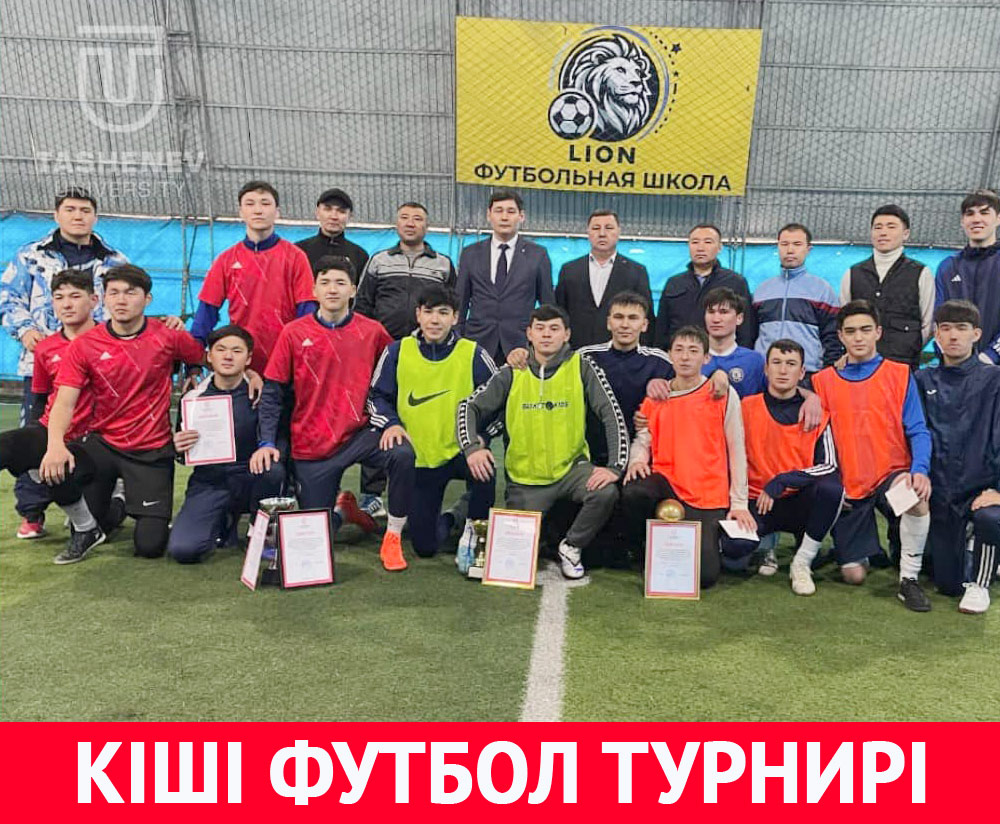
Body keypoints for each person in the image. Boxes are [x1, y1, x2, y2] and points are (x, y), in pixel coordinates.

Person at [251, 255, 415, 572]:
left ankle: (392, 536)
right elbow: (272, 393)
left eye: (341, 283)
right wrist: (267, 441)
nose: (332, 289)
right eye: (325, 282)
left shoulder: (373, 332)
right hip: (312, 442)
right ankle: (343, 512)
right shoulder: (293, 333)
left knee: (402, 454)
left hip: (362, 433)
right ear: (314, 290)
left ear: (353, 290)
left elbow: (398, 377)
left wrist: (391, 422)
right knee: (316, 536)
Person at [39, 265, 207, 561]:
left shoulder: (168, 337)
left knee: (150, 546)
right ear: (103, 298)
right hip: (103, 444)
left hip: (152, 448)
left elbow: (208, 357)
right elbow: (64, 401)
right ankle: (109, 509)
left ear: (147, 299)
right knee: (62, 481)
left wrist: (202, 370)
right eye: (113, 293)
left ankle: (126, 502)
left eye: (130, 293)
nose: (121, 300)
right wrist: (54, 445)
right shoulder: (85, 345)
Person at [456, 304, 627, 579]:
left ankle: (572, 546)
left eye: (554, 328)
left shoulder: (581, 366)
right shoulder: (512, 371)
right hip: (525, 481)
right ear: (529, 334)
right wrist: (471, 448)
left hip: (572, 470)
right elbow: (468, 407)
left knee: (605, 492)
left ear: (567, 334)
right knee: (513, 563)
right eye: (540, 328)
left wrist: (615, 466)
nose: (547, 334)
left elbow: (610, 412)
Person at [0, 186, 128, 539]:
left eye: (85, 210)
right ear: (56, 215)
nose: (77, 216)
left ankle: (106, 492)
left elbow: (127, 302)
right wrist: (25, 330)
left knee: (98, 435)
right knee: (36, 435)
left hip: (101, 368)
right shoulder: (30, 255)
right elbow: (7, 296)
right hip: (44, 362)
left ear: (95, 216)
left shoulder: (115, 260)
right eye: (70, 209)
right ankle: (33, 512)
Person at [811, 300, 933, 611]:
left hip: (890, 476)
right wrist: (831, 486)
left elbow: (918, 430)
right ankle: (864, 550)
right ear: (840, 336)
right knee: (853, 575)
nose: (858, 337)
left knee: (915, 498)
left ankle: (909, 580)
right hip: (849, 486)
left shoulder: (900, 374)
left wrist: (919, 469)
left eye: (865, 330)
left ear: (878, 332)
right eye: (850, 331)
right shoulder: (822, 382)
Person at [367, 285, 498, 557]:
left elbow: (501, 403)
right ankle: (452, 518)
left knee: (486, 469)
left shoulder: (473, 354)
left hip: (462, 452)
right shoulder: (397, 352)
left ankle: (475, 532)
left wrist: (481, 439)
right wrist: (391, 423)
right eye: (428, 312)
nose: (435, 320)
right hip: (421, 459)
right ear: (418, 315)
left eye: (443, 312)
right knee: (425, 547)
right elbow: (376, 397)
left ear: (456, 317)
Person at [621, 325, 754, 590]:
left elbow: (737, 449)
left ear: (706, 358)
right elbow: (643, 440)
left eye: (693, 351)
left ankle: (710, 540)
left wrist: (739, 503)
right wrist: (637, 460)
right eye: (679, 350)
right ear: (669, 355)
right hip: (667, 483)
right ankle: (643, 546)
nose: (685, 357)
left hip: (707, 495)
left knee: (704, 577)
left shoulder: (722, 394)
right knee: (634, 491)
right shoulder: (657, 396)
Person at [719, 339, 843, 594]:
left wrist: (783, 480)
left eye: (791, 364)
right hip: (758, 502)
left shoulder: (817, 414)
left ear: (802, 372)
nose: (783, 370)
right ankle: (765, 546)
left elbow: (829, 465)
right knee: (733, 552)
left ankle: (802, 561)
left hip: (798, 501)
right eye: (776, 362)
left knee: (832, 490)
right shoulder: (745, 407)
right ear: (766, 369)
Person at [168, 325, 285, 564]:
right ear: (209, 356)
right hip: (210, 481)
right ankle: (224, 519)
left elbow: (277, 440)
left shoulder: (261, 393)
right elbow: (184, 455)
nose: (228, 356)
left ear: (248, 358)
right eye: (220, 350)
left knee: (272, 469)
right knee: (184, 550)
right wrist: (178, 447)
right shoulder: (192, 400)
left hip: (252, 476)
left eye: (236, 351)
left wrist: (265, 449)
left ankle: (260, 531)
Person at [916, 300, 1000, 613]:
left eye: (962, 329)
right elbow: (915, 434)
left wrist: (998, 490)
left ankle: (980, 584)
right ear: (936, 335)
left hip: (981, 489)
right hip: (939, 490)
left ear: (976, 334)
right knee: (947, 583)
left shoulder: (994, 379)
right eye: (946, 329)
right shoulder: (923, 380)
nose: (953, 336)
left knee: (990, 517)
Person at [191, 180, 316, 374]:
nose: (258, 210)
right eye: (250, 204)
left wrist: (301, 356)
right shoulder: (226, 259)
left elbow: (307, 312)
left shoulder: (296, 257)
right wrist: (193, 360)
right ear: (241, 212)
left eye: (265, 203)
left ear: (277, 212)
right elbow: (206, 312)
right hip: (240, 364)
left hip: (285, 362)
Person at [456, 189, 554, 365]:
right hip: (476, 343)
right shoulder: (470, 254)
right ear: (489, 215)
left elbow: (548, 305)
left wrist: (541, 344)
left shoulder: (537, 254)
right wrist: (457, 339)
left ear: (521, 216)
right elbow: (460, 302)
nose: (504, 217)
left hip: (521, 346)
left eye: (511, 211)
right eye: (498, 211)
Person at [840, 205, 934, 369]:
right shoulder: (853, 273)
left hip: (903, 364)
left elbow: (928, 323)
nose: (883, 232)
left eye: (891, 227)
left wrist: (909, 347)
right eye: (878, 227)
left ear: (905, 233)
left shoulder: (921, 273)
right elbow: (843, 319)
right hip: (860, 366)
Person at [355, 202, 457, 340]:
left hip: (427, 342)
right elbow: (362, 303)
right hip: (384, 341)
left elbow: (454, 303)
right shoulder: (379, 260)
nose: (410, 224)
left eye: (417, 219)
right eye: (404, 218)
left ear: (427, 227)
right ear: (397, 224)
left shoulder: (443, 264)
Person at [554, 210, 653, 349]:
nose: (602, 234)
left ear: (618, 232)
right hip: (576, 351)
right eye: (596, 228)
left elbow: (647, 315)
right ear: (588, 232)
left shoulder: (636, 272)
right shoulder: (569, 270)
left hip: (620, 352)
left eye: (609, 228)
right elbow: (559, 313)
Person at [753, 223, 841, 379]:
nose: (790, 250)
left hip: (808, 373)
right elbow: (751, 333)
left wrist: (827, 373)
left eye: (797, 244)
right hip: (764, 373)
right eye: (784, 244)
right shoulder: (761, 291)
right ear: (777, 247)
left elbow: (832, 337)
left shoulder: (822, 290)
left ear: (808, 249)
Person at [654, 224, 755, 350]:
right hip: (681, 355)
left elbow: (746, 329)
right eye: (695, 242)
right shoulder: (674, 283)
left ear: (719, 247)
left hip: (720, 354)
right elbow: (661, 328)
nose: (700, 248)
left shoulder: (735, 282)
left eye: (708, 242)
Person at [935, 189, 1000, 363]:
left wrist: (990, 356)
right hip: (955, 367)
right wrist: (950, 356)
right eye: (970, 214)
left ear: (998, 218)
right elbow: (939, 318)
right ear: (962, 221)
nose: (976, 219)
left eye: (984, 213)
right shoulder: (948, 267)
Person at [702, 287, 765, 398]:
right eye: (711, 312)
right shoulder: (692, 359)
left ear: (739, 318)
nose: (716, 319)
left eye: (724, 312)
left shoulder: (754, 361)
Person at [296, 187, 370, 278]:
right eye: (327, 209)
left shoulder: (359, 256)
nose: (334, 216)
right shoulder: (299, 251)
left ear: (350, 216)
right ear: (317, 213)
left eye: (341, 211)